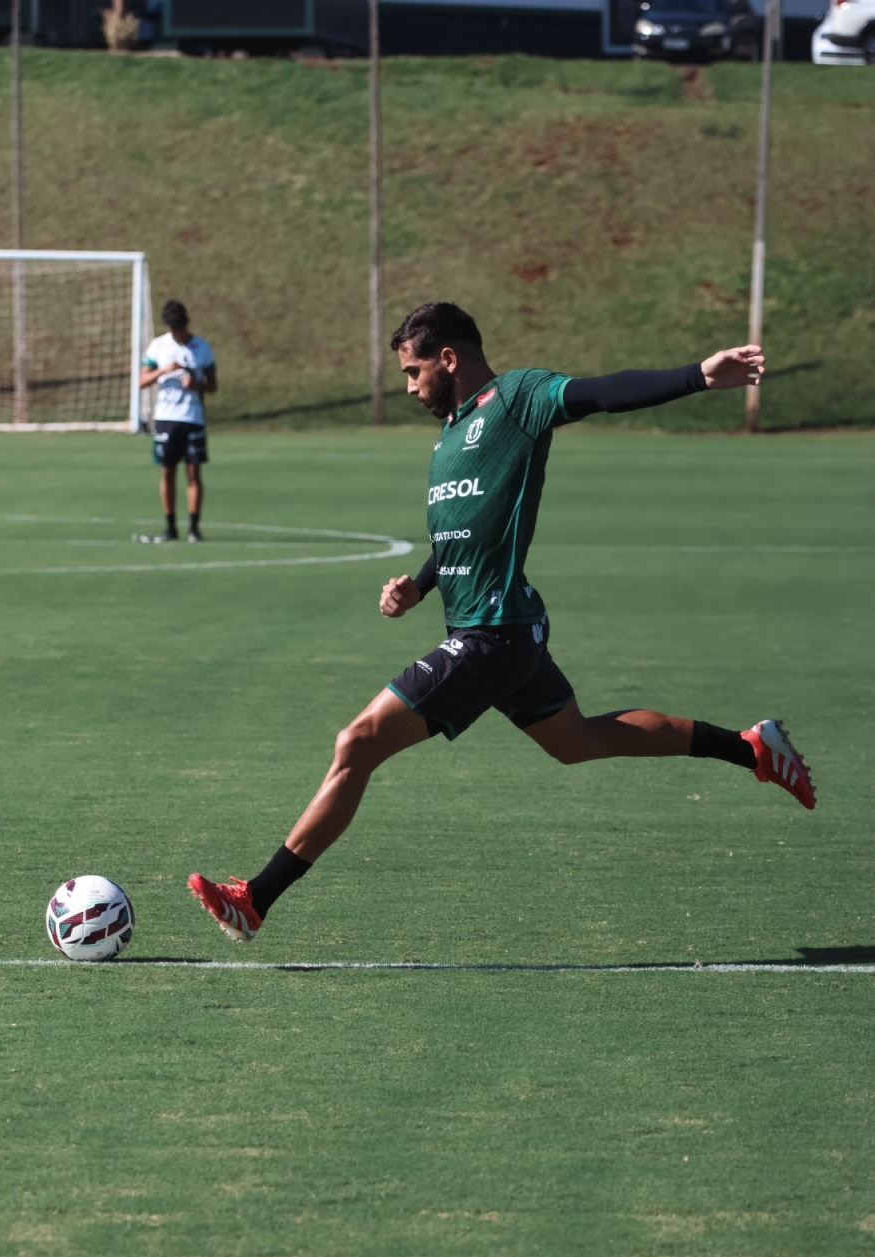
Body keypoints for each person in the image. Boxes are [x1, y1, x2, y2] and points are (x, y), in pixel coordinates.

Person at [189, 301, 815, 943]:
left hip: (490, 636)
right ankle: (751, 747)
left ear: (450, 358)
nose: (409, 387)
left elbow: (599, 393)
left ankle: (256, 899)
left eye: (413, 371)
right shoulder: (451, 435)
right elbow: (464, 532)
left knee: (357, 743)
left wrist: (697, 376)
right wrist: (419, 583)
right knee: (578, 742)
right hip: (504, 631)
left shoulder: (518, 398)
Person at [138, 299, 217, 544]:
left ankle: (194, 528)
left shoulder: (201, 347)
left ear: (187, 323)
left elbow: (213, 385)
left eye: (181, 328)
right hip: (166, 419)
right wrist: (163, 371)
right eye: (174, 329)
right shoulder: (158, 346)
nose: (178, 333)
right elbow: (142, 381)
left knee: (193, 471)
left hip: (192, 417)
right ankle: (170, 526)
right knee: (168, 472)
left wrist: (196, 384)